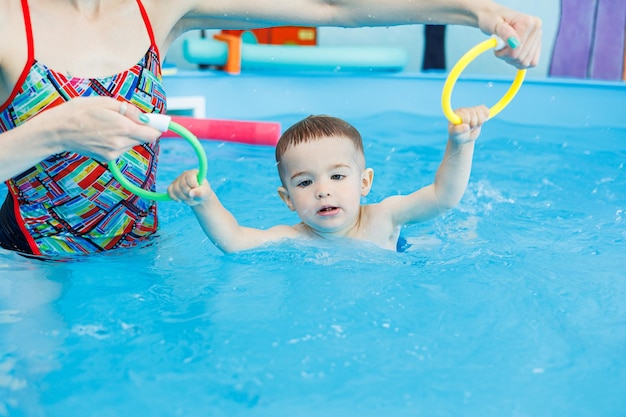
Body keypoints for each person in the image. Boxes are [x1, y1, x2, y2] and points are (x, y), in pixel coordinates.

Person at [0, 0, 541, 257]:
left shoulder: (158, 8)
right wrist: (53, 133)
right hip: (30, 259)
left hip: (142, 248)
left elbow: (332, 7)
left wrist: (481, 14)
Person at [167, 106, 489, 252]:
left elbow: (443, 197)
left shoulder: (385, 216)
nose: (323, 191)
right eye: (305, 182)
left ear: (364, 183)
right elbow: (235, 242)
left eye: (337, 176)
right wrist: (204, 201)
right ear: (288, 199)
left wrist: (461, 144)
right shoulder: (294, 237)